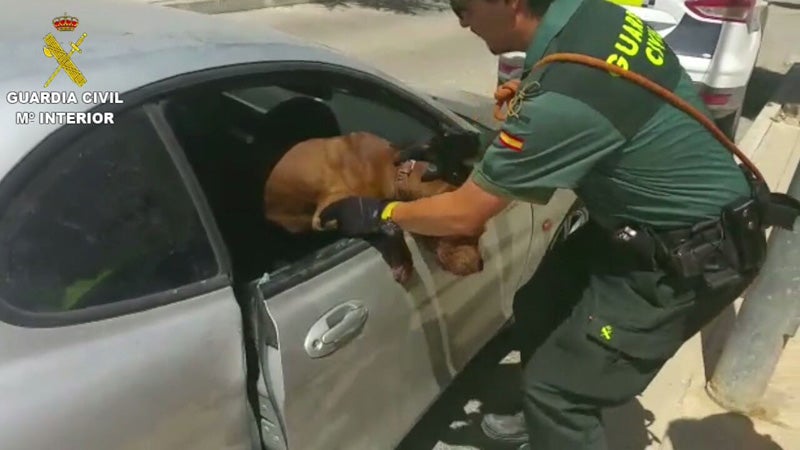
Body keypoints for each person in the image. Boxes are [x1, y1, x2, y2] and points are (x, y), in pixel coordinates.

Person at [318, 0, 797, 448]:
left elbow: (465, 213)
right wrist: (476, 149)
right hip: (638, 223)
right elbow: (564, 129)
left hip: (688, 257)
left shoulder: (568, 92)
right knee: (539, 305)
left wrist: (381, 212)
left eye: (464, 7)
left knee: (561, 394)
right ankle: (543, 420)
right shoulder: (586, 15)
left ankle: (557, 416)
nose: (462, 21)